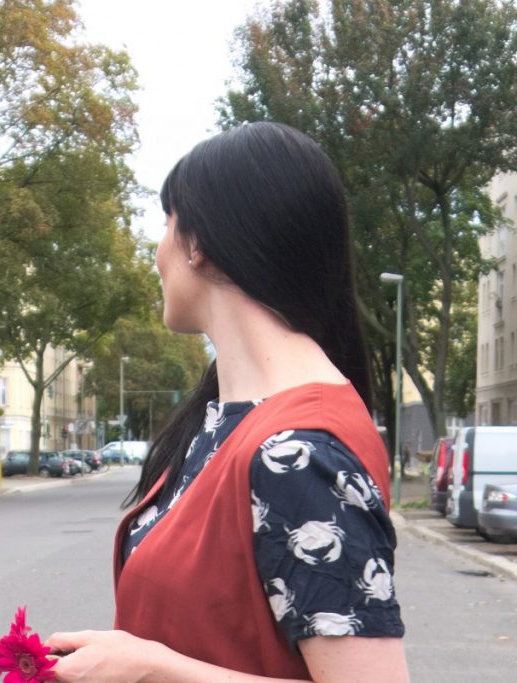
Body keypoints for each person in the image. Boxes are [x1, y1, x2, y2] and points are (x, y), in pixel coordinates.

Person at [45, 122, 409, 682]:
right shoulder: (231, 421)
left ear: (200, 245)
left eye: (167, 224)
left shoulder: (299, 450)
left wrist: (152, 668)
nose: (156, 251)